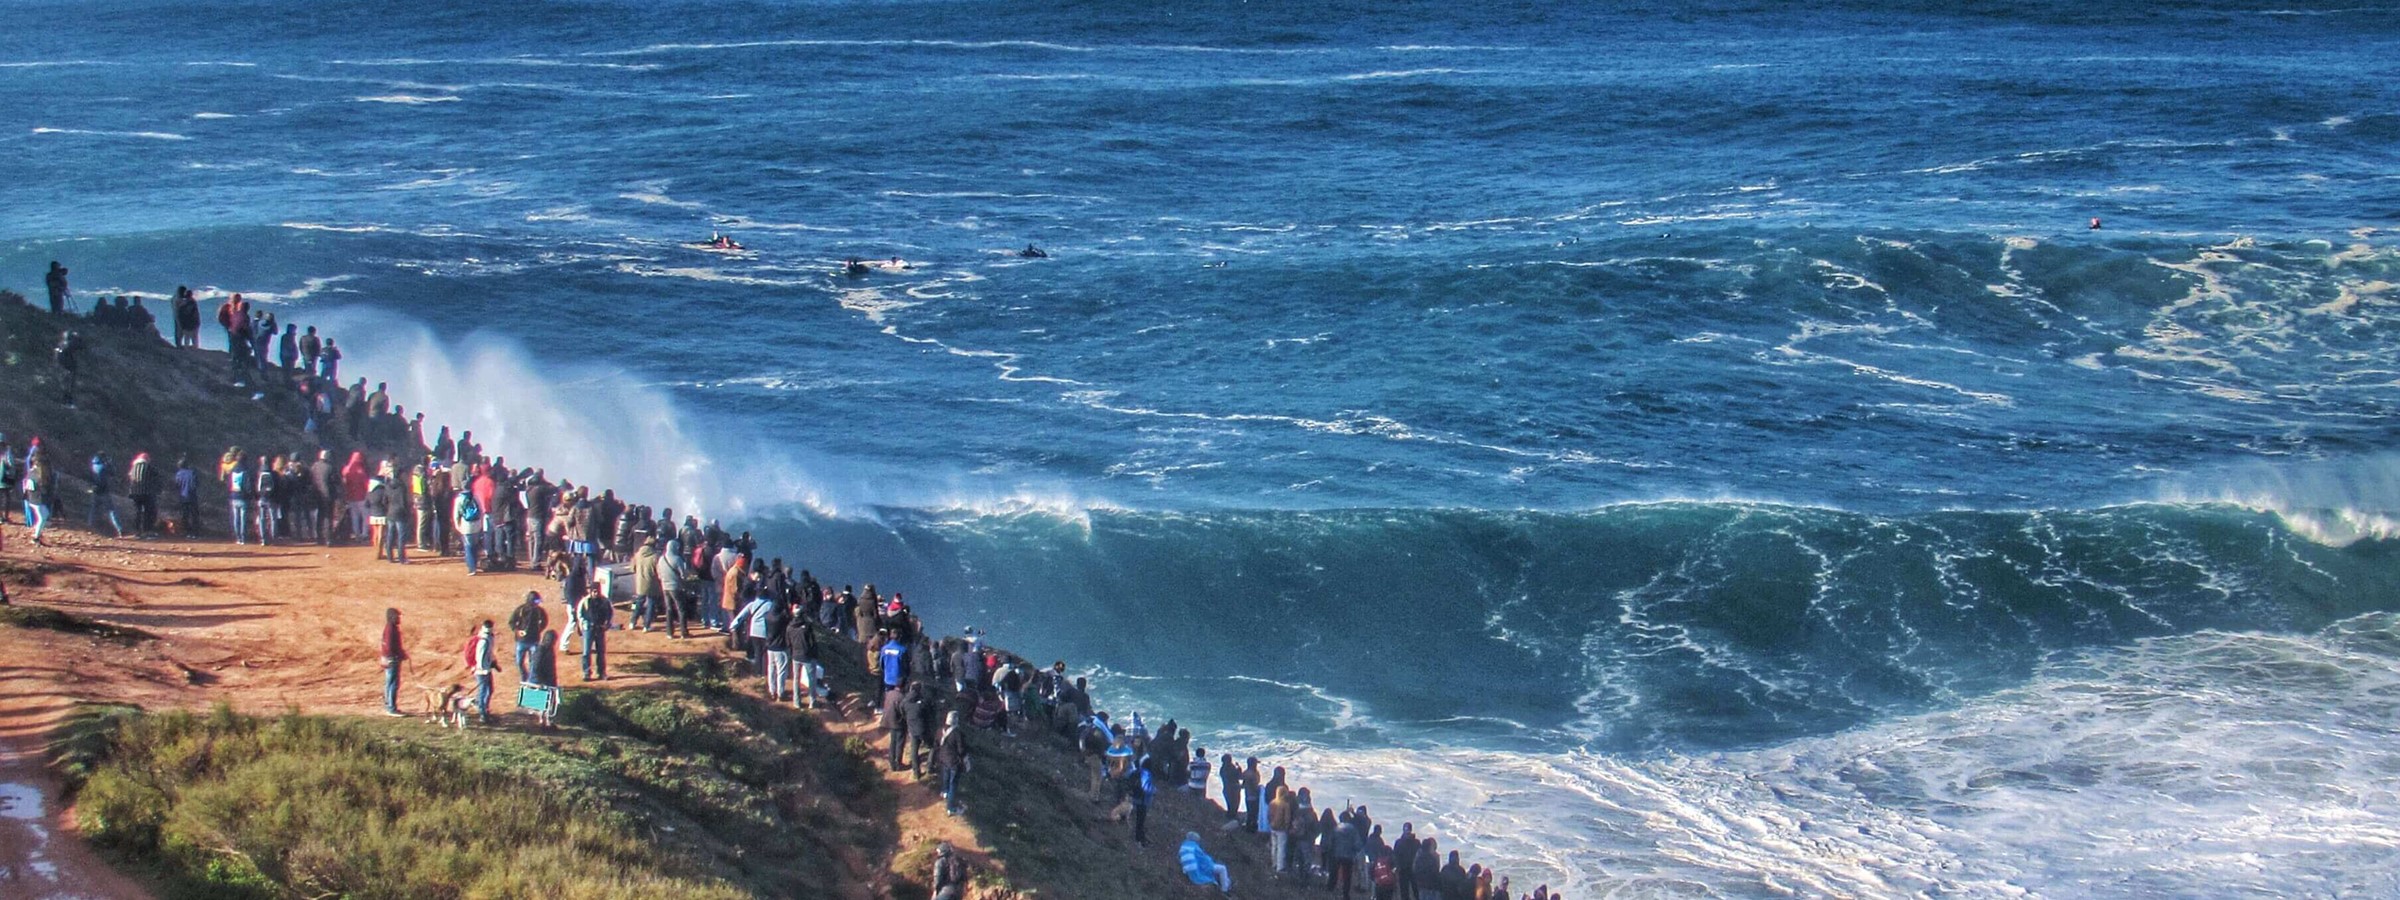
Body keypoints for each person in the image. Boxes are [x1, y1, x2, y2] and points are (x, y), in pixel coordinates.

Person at [507, 591, 546, 683]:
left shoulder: (539, 611)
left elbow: (544, 621)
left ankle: (531, 679)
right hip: (521, 641)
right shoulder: (520, 610)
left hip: (534, 640)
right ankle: (524, 676)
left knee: (533, 662)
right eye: (536, 601)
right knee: (519, 662)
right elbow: (512, 622)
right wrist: (517, 631)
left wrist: (539, 629)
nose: (538, 603)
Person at [937, 710, 970, 816]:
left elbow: (936, 743)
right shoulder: (957, 733)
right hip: (954, 762)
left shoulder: (940, 730)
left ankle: (944, 792)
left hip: (943, 759)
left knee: (945, 777)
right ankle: (951, 808)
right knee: (953, 784)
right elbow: (961, 750)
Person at [577, 586, 611, 681]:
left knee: (600, 651)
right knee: (586, 651)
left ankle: (601, 672)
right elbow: (580, 615)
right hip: (588, 629)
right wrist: (583, 625)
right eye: (594, 591)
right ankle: (586, 673)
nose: (596, 593)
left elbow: (610, 613)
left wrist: (607, 624)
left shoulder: (605, 601)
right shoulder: (585, 601)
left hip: (600, 628)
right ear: (591, 592)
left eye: (598, 591)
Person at [87, 452, 125, 538]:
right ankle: (119, 528)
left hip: (95, 491)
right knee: (111, 511)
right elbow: (113, 472)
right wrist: (109, 463)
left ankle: (90, 526)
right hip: (104, 492)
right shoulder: (104, 467)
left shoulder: (93, 467)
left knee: (94, 510)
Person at [379, 608, 408, 716]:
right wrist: (400, 655)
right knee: (392, 683)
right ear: (392, 617)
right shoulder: (391, 629)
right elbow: (390, 647)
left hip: (389, 658)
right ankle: (391, 708)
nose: (399, 618)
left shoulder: (390, 628)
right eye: (397, 616)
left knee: (389, 683)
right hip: (392, 659)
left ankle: (389, 706)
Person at [468, 620, 498, 724]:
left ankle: (484, 709)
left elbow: (489, 653)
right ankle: (482, 713)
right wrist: (482, 669)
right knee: (483, 691)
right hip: (482, 671)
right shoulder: (484, 640)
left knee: (489, 690)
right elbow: (479, 656)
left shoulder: (489, 638)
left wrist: (493, 663)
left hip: (486, 669)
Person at [455, 488, 486, 574]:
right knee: (475, 545)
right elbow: (481, 511)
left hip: (465, 526)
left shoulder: (459, 499)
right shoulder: (475, 497)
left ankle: (472, 568)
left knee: (468, 547)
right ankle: (475, 564)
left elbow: (456, 514)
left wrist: (458, 526)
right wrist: (481, 523)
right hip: (476, 524)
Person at [52, 330, 83, 407]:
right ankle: (66, 401)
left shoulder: (61, 346)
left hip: (65, 367)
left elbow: (57, 355)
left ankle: (66, 401)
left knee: (66, 385)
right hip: (67, 368)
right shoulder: (67, 345)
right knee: (67, 385)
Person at [172, 455, 199, 537]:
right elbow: (195, 484)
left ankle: (186, 531)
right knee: (194, 514)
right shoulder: (192, 473)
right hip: (192, 496)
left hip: (183, 496)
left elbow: (176, 485)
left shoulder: (179, 474)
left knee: (185, 515)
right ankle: (195, 532)